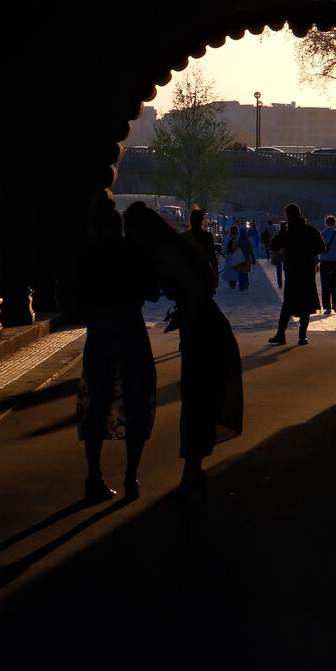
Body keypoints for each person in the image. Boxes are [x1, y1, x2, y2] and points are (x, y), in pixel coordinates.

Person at [123, 201, 243, 497]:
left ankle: (191, 472)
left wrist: (185, 322)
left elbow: (192, 291)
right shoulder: (175, 247)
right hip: (207, 326)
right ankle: (194, 469)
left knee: (196, 398)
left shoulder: (166, 253)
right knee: (199, 398)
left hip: (203, 331)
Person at [71, 194, 160, 503]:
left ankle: (94, 476)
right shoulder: (131, 252)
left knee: (97, 400)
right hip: (131, 331)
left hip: (99, 333)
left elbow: (71, 298)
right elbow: (152, 291)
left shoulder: (85, 255)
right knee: (136, 399)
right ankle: (130, 476)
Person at [267, 203, 325, 345]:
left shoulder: (287, 232)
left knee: (288, 303)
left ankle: (281, 334)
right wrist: (309, 254)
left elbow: (273, 246)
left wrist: (281, 234)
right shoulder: (311, 230)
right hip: (307, 271)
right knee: (305, 304)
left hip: (292, 271)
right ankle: (302, 336)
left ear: (287, 216)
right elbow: (321, 247)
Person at [181, 208, 219, 292]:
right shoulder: (208, 237)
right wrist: (216, 277)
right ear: (202, 220)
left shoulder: (183, 236)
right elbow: (213, 259)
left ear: (190, 220)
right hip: (204, 276)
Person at [318, 213, 336, 315]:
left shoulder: (321, 234)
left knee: (325, 284)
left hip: (324, 261)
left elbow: (318, 249)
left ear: (325, 223)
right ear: (334, 223)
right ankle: (335, 302)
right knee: (335, 283)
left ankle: (327, 307)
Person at [220, 224, 241, 290]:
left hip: (229, 255)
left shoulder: (228, 237)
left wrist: (224, 252)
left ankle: (231, 282)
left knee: (230, 269)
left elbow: (225, 247)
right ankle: (235, 281)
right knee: (236, 269)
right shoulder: (239, 237)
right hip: (237, 255)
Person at [271, 220, 287, 287]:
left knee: (279, 270)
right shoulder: (289, 235)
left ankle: (280, 283)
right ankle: (287, 282)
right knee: (287, 270)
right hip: (287, 255)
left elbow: (272, 246)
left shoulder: (277, 236)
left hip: (278, 254)